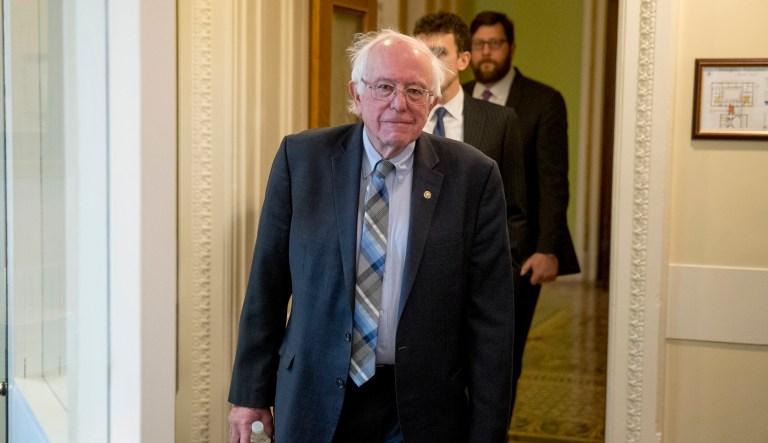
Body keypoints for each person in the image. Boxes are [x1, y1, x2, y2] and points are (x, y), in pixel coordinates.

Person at [228, 29, 515, 442]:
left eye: (415, 90)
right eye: (384, 87)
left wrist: (488, 430)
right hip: (313, 393)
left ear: (433, 101)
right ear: (357, 93)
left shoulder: (474, 176)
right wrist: (249, 395)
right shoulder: (302, 160)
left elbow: (491, 320)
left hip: (422, 406)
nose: (399, 103)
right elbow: (266, 285)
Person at [462, 11, 581, 414]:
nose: (486, 53)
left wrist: (547, 248)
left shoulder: (543, 101)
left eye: (494, 44)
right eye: (479, 44)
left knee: (502, 356)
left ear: (511, 48)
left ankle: (494, 431)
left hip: (519, 254)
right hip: (462, 250)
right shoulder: (455, 96)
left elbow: (553, 180)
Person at [413, 11, 528, 271]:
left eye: (440, 53)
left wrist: (505, 273)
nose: (430, 64)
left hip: (477, 265)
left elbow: (514, 211)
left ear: (464, 59)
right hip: (414, 264)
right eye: (423, 54)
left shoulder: (500, 121)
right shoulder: (402, 118)